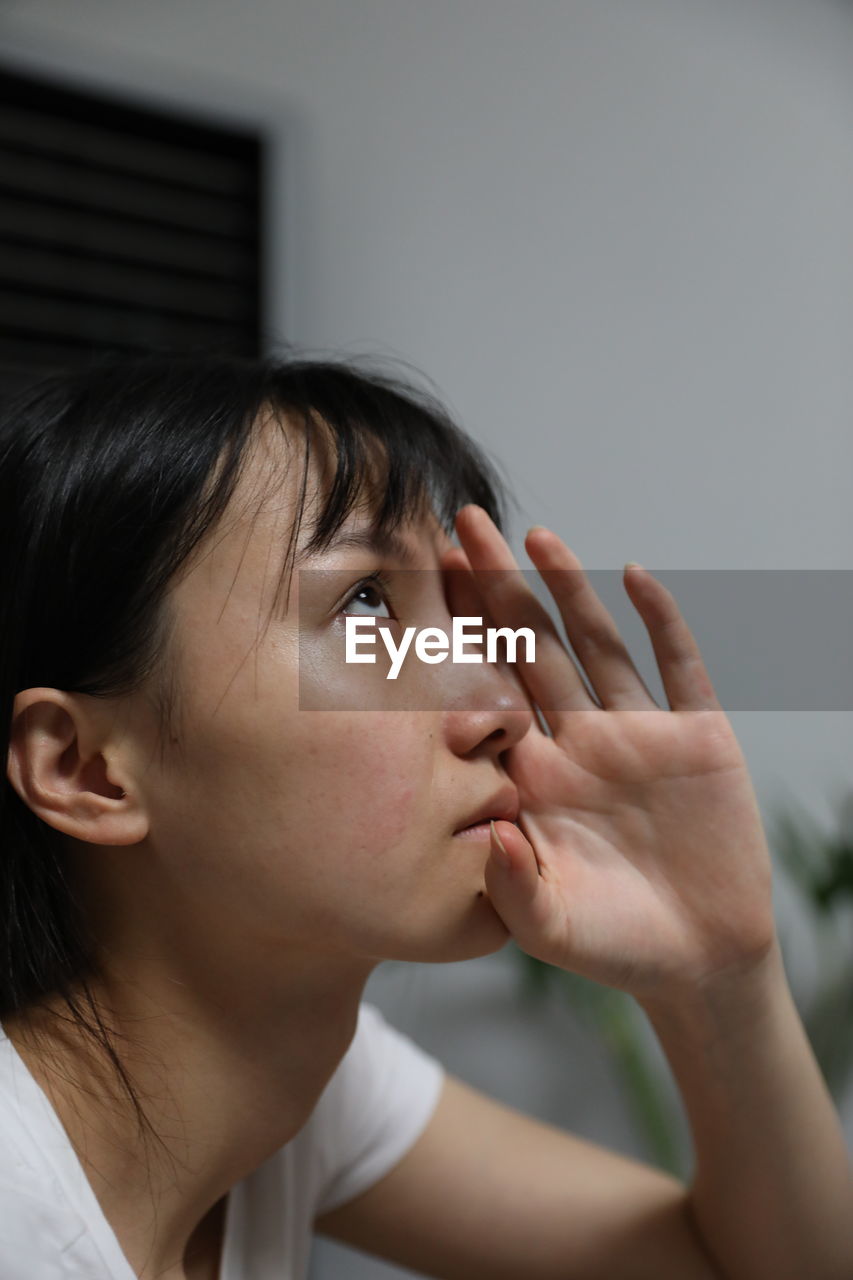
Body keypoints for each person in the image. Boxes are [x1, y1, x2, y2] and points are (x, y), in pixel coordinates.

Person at [0, 352, 849, 1280]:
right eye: (365, 606)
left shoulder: (299, 1071)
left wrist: (722, 977)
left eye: (466, 622)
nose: (501, 705)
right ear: (86, 769)